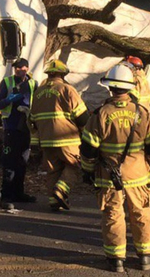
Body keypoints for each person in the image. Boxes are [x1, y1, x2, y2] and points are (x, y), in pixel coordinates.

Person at [80, 64, 150, 272]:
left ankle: (116, 259)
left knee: (112, 215)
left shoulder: (99, 115)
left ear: (110, 88)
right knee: (141, 213)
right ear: (129, 88)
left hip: (109, 177)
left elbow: (88, 150)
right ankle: (145, 256)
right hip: (139, 175)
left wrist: (88, 171)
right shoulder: (142, 113)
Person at [29, 59, 88, 211]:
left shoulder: (38, 93)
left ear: (48, 74)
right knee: (73, 165)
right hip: (67, 138)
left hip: (46, 140)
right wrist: (85, 133)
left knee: (53, 170)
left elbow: (32, 120)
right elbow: (81, 116)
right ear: (63, 74)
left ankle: (54, 201)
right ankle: (61, 190)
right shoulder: (67, 90)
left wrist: (36, 142)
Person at [0, 58, 38, 210]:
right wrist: (9, 99)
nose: (20, 70)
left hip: (26, 127)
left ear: (27, 68)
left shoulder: (33, 83)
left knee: (22, 162)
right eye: (17, 68)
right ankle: (6, 197)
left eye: (23, 68)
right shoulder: (6, 82)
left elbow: (37, 103)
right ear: (14, 69)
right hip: (11, 127)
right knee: (9, 163)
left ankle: (19, 193)